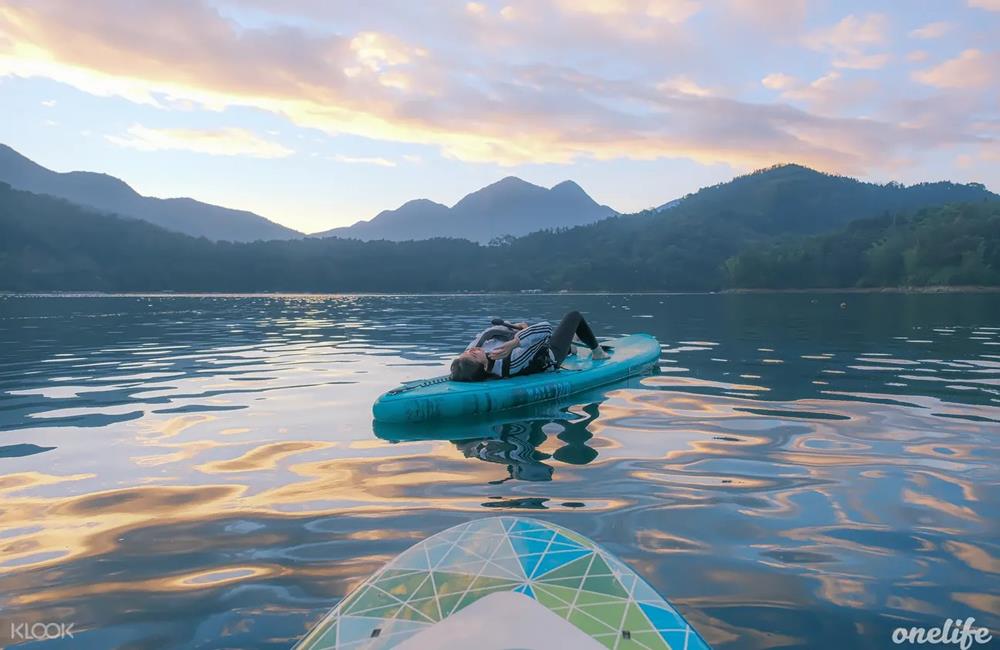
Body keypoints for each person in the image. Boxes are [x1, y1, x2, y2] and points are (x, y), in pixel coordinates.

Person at [450, 310, 608, 382]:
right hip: (549, 356)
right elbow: (546, 329)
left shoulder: (473, 351)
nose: (471, 350)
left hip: (529, 343)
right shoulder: (511, 363)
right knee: (574, 316)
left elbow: (490, 332)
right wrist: (516, 342)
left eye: (466, 352)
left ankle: (572, 344)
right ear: (485, 366)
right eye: (473, 354)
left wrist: (514, 327)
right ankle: (597, 352)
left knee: (530, 334)